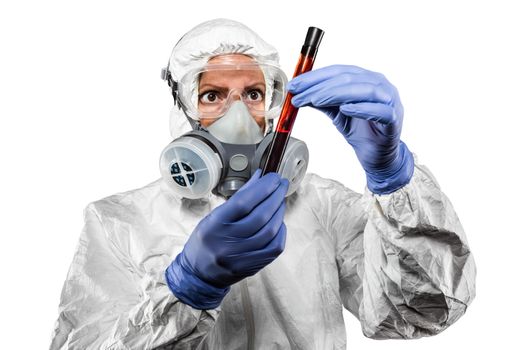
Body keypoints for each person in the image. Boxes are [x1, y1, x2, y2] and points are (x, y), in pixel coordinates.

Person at [49, 19, 476, 350]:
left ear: (273, 104)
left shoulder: (323, 205)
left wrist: (392, 178)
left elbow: (424, 311)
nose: (238, 116)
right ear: (182, 107)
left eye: (253, 93)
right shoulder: (118, 221)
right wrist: (187, 287)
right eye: (213, 96)